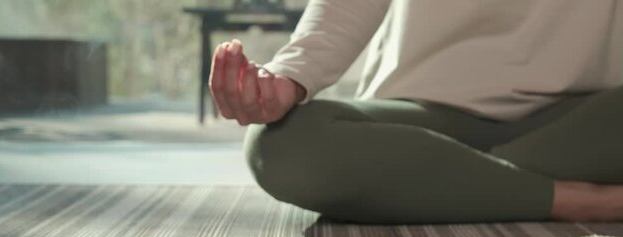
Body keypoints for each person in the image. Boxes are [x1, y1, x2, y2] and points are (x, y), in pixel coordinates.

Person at [208, 0, 623, 224]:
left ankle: (437, 181)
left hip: (581, 122)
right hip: (423, 113)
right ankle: (574, 199)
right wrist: (290, 76)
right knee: (281, 144)